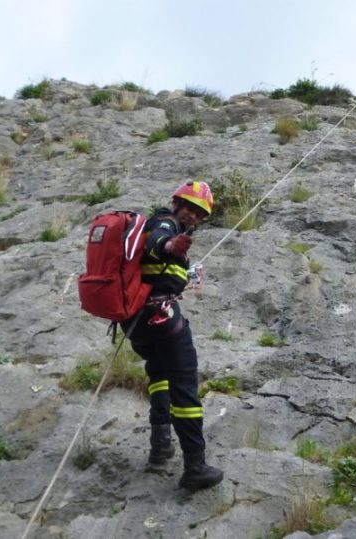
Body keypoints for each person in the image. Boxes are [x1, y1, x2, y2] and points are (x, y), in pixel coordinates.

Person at [119, 180, 224, 491]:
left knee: (160, 376)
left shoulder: (174, 228)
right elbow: (157, 241)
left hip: (137, 324)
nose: (193, 215)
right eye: (190, 207)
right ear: (177, 202)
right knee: (185, 384)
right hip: (160, 317)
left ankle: (160, 447)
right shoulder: (166, 221)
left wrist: (184, 267)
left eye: (199, 213)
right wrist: (170, 246)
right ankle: (195, 466)